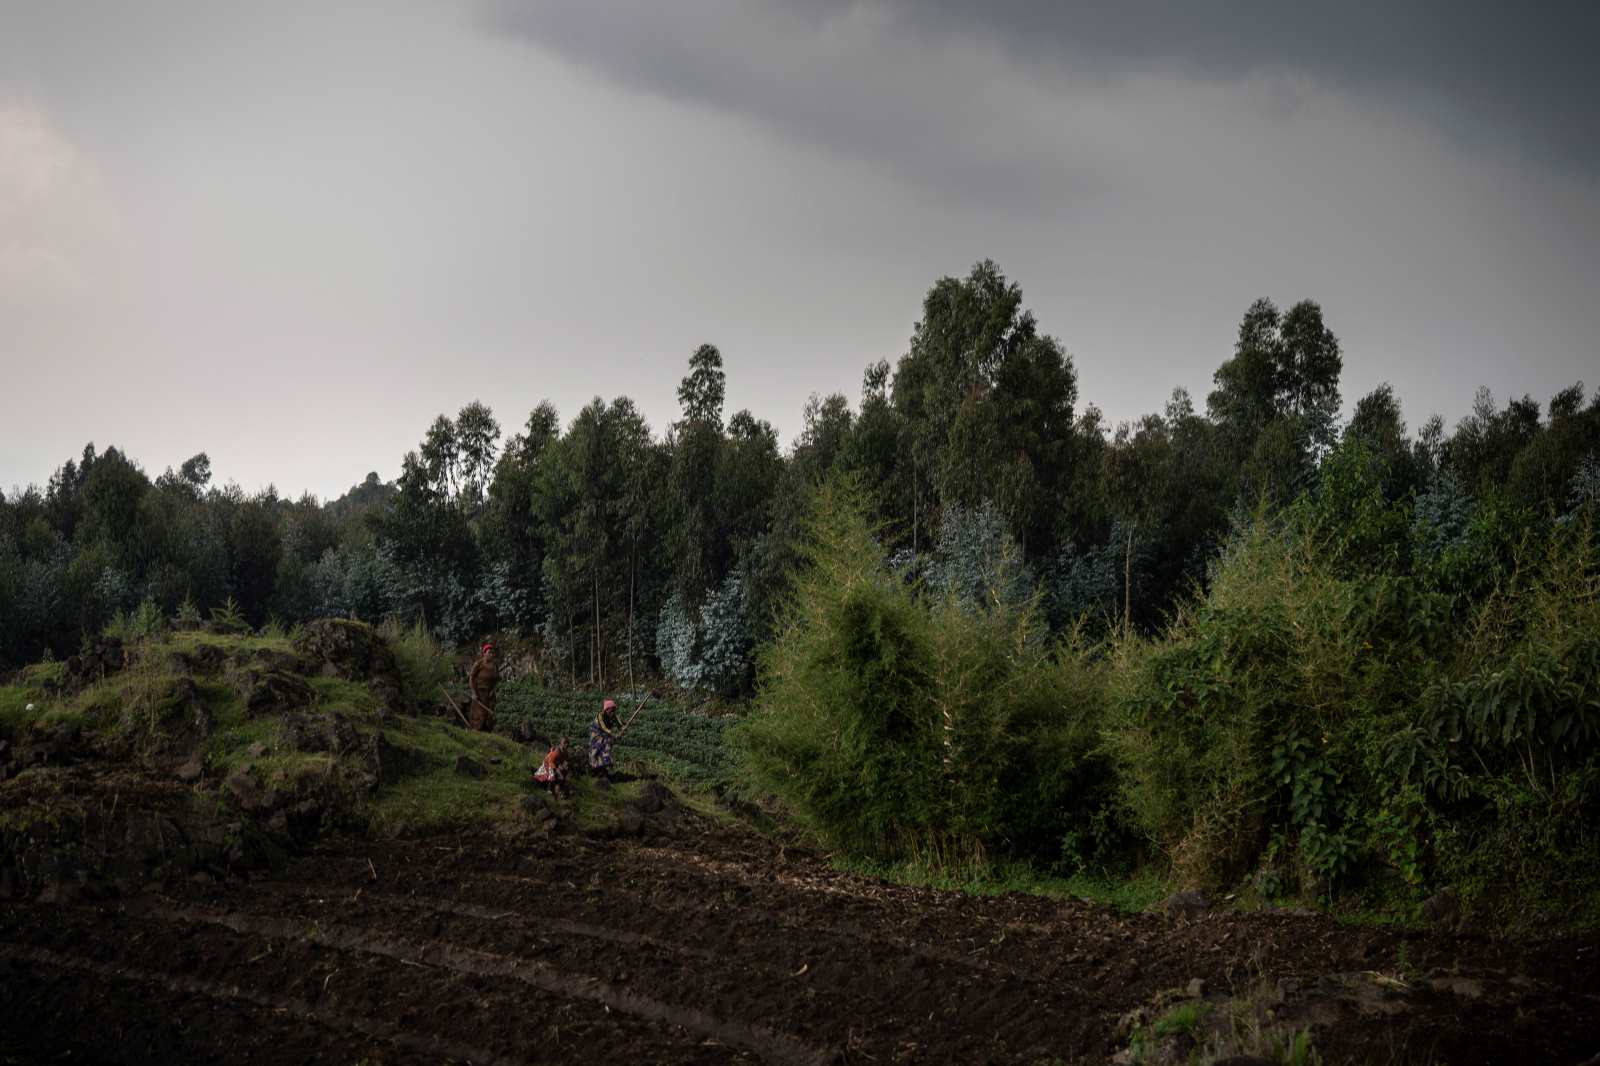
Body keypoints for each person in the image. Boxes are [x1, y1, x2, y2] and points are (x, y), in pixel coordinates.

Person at [467, 641, 498, 732]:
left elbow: (496, 681)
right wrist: (473, 693)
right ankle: (475, 730)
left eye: (492, 653)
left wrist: (493, 690)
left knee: (489, 713)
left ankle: (487, 732)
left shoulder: (494, 666)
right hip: (479, 692)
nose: (491, 655)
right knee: (478, 713)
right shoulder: (479, 664)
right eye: (489, 653)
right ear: (484, 654)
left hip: (490, 694)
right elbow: (471, 678)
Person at [588, 698, 622, 776]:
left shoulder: (614, 716)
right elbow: (604, 728)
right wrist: (614, 734)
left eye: (614, 710)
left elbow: (619, 725)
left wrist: (623, 729)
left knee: (607, 748)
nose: (613, 712)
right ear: (607, 709)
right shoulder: (600, 716)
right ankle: (595, 767)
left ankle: (607, 766)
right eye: (612, 710)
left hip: (606, 735)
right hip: (596, 734)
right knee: (596, 750)